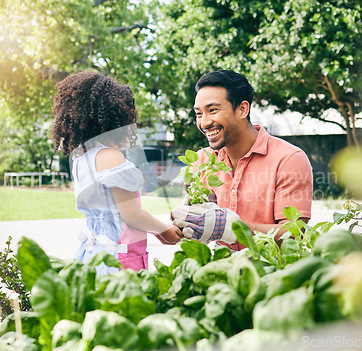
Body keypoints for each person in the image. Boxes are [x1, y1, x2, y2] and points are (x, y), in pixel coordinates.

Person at [51, 71, 183, 274]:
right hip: (117, 260)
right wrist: (164, 230)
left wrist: (156, 229)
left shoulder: (81, 158)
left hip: (93, 255)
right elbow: (131, 215)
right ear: (116, 118)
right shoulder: (110, 157)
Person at [172, 70, 313, 251]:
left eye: (212, 110)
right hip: (219, 268)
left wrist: (232, 228)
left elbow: (294, 233)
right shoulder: (201, 161)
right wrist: (189, 224)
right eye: (199, 114)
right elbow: (201, 234)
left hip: (272, 272)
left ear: (242, 109)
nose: (204, 122)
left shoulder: (289, 160)